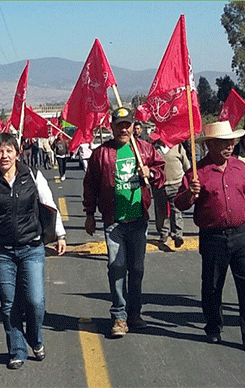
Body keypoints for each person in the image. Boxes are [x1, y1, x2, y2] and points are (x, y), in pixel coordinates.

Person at [0, 133, 66, 369]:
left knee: (35, 301)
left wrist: (59, 234)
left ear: (18, 152)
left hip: (31, 248)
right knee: (9, 304)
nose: (4, 155)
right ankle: (17, 350)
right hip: (1, 253)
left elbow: (49, 204)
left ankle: (35, 339)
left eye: (9, 150)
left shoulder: (31, 175)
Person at [83, 107, 165, 338]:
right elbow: (90, 185)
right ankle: (119, 316)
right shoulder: (102, 154)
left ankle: (134, 313)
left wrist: (151, 172)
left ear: (133, 126)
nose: (124, 128)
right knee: (117, 267)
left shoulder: (145, 149)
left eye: (127, 124)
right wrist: (89, 214)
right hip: (114, 222)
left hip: (138, 219)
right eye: (119, 124)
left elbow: (161, 174)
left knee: (137, 270)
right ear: (112, 127)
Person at [174, 121, 245, 350]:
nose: (229, 147)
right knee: (213, 285)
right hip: (213, 237)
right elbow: (180, 203)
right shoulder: (197, 172)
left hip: (242, 235)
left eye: (231, 142)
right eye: (224, 143)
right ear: (210, 146)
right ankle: (214, 327)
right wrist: (190, 194)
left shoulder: (241, 167)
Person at [152, 138, 191, 247]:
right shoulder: (153, 149)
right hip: (159, 186)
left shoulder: (178, 147)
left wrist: (189, 179)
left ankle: (177, 235)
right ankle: (163, 234)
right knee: (161, 212)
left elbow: (186, 165)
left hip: (176, 185)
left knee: (176, 210)